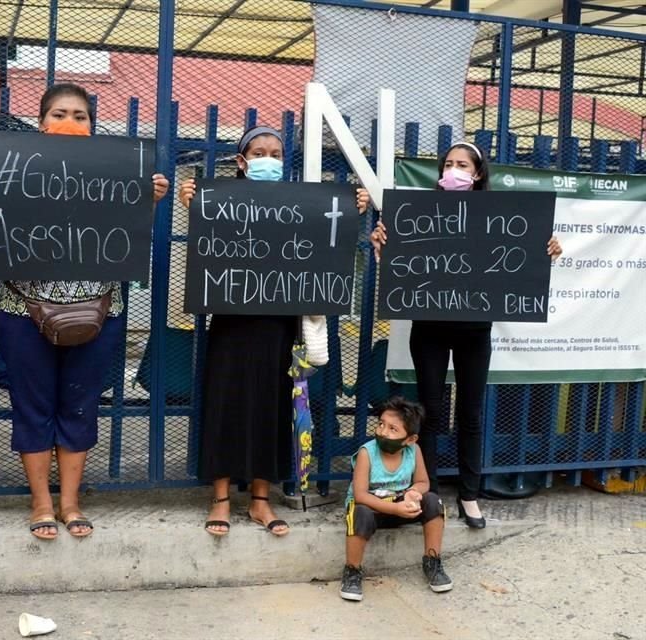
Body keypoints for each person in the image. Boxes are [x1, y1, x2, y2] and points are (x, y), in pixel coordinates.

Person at [0, 83, 169, 540]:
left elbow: (127, 229)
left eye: (81, 115)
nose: (71, 122)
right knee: (32, 405)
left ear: (92, 124)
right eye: (61, 113)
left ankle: (70, 502)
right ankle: (41, 502)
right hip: (22, 310)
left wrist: (150, 198)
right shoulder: (9, 165)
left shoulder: (112, 170)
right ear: (42, 120)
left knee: (80, 405)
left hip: (98, 310)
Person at [179, 126, 369, 537]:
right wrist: (192, 205)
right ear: (243, 161)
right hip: (231, 321)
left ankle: (261, 501)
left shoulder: (303, 205)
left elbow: (331, 247)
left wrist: (354, 209)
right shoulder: (219, 203)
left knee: (272, 406)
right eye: (260, 151)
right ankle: (221, 497)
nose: (269, 158)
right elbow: (206, 254)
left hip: (281, 324)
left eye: (277, 153)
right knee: (225, 404)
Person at [369, 141, 563, 529]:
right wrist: (382, 245)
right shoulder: (418, 214)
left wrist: (550, 249)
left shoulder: (500, 215)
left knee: (471, 412)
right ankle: (430, 492)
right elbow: (399, 259)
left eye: (463, 164)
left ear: (476, 174)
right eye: (449, 163)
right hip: (430, 330)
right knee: (430, 411)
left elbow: (522, 261)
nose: (454, 169)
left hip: (475, 331)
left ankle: (470, 495)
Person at [340, 396, 451, 601]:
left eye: (393, 429)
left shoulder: (414, 450)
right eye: (381, 424)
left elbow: (423, 482)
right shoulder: (367, 453)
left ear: (410, 439)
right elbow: (360, 495)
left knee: (433, 502)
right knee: (360, 512)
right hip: (372, 508)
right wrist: (395, 509)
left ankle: (432, 562)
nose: (383, 432)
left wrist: (413, 492)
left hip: (401, 505)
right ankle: (352, 571)